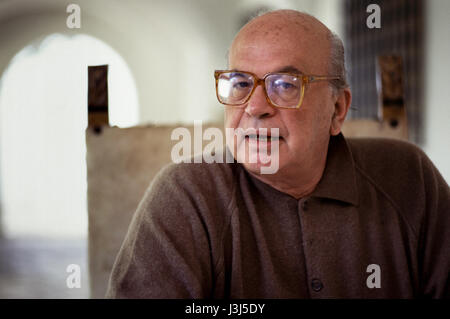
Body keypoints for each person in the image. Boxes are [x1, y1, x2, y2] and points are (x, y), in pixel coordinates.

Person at [106, 9, 449, 298]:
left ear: (337, 110)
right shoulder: (186, 195)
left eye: (285, 85)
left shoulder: (409, 177)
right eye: (240, 83)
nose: (255, 107)